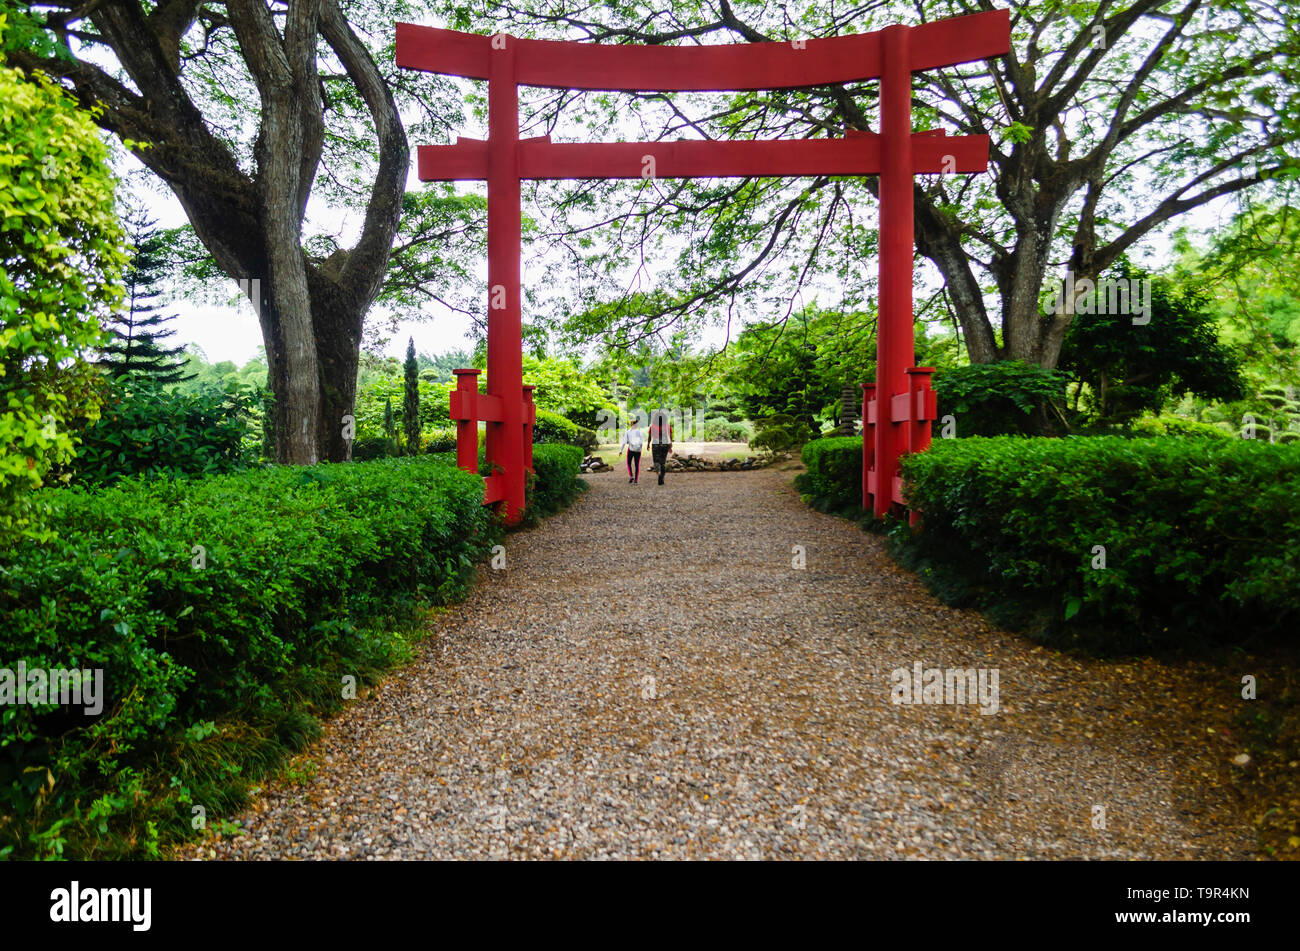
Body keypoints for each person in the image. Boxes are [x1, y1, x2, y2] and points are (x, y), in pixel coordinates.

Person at [648, 408, 673, 485]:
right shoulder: (667, 426)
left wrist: (648, 444)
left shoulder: (652, 426)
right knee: (663, 462)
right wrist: (670, 444)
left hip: (655, 445)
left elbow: (650, 436)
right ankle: (662, 477)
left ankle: (658, 473)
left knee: (656, 461)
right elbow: (670, 436)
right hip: (664, 445)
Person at [620, 417, 644, 483]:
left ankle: (631, 476)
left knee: (628, 463)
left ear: (631, 424)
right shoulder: (639, 432)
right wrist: (639, 449)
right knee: (637, 465)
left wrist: (621, 451)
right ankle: (636, 480)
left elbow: (624, 442)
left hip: (630, 450)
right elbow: (641, 443)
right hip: (638, 451)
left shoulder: (628, 432)